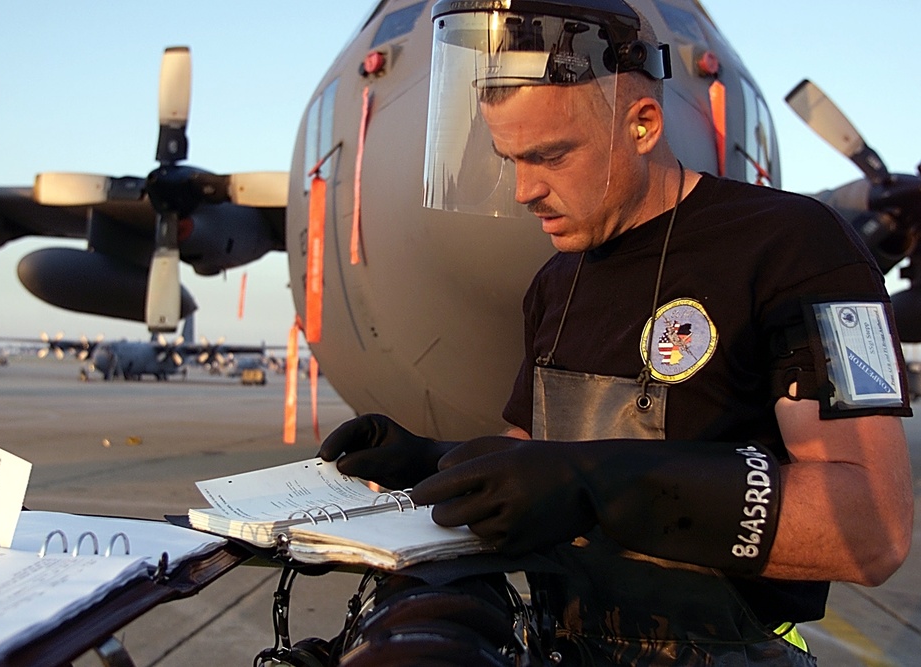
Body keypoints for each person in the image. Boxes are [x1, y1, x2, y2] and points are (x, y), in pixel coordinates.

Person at [320, 0, 914, 663]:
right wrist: (433, 459)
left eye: (549, 155)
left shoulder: (797, 246)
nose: (523, 190)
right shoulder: (556, 280)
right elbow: (539, 449)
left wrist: (600, 484)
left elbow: (872, 528)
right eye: (509, 158)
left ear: (642, 123)